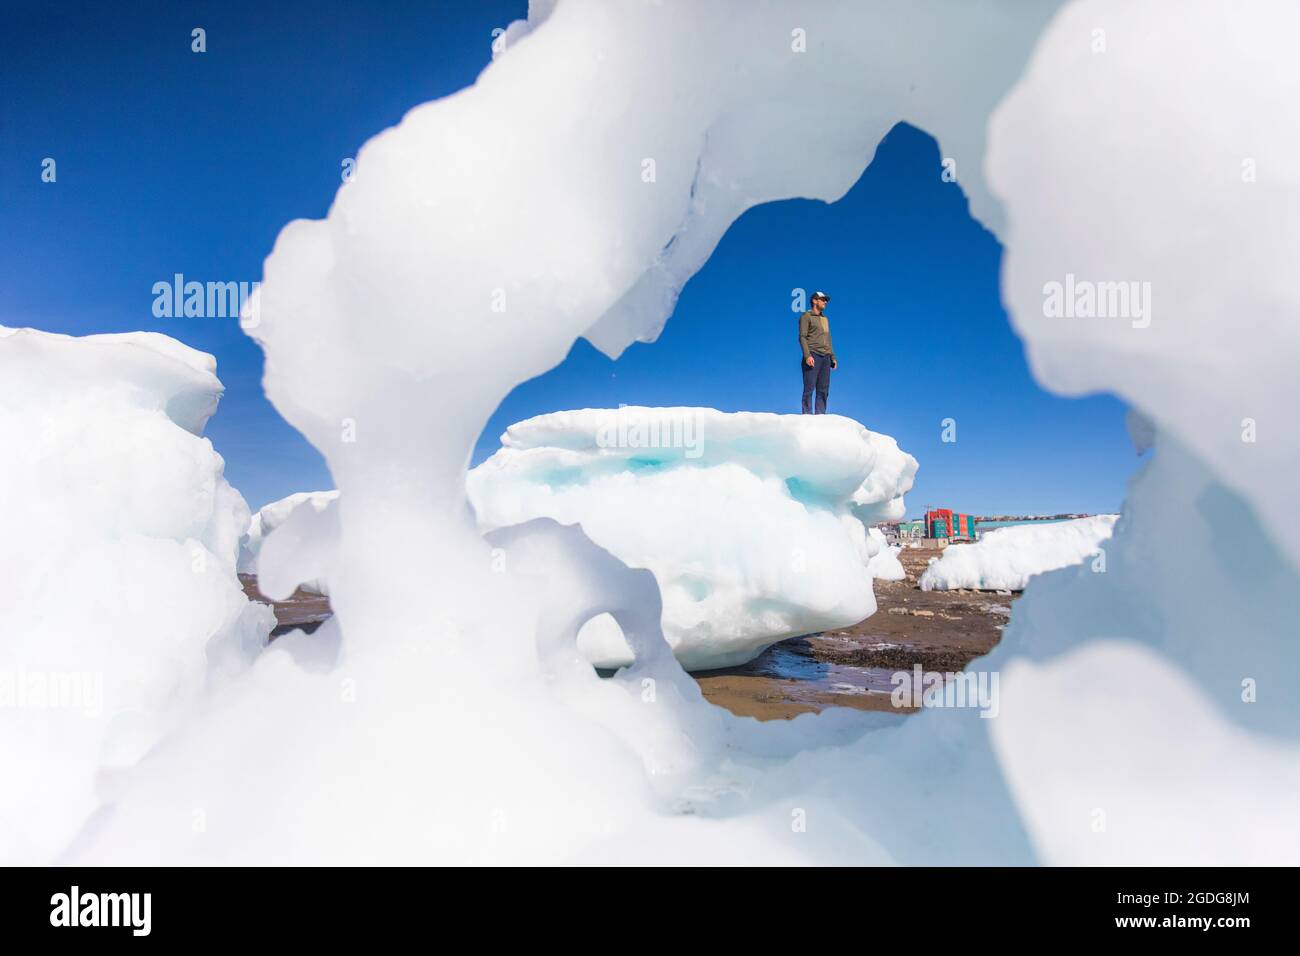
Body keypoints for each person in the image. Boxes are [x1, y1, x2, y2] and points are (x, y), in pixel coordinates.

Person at [798, 290, 837, 414]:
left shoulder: (825, 319)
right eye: (823, 299)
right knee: (809, 388)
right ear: (815, 301)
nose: (825, 302)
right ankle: (807, 415)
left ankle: (820, 416)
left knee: (823, 389)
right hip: (813, 355)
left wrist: (832, 357)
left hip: (825, 358)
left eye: (826, 300)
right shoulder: (806, 316)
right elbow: (802, 337)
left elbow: (828, 339)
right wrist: (807, 355)